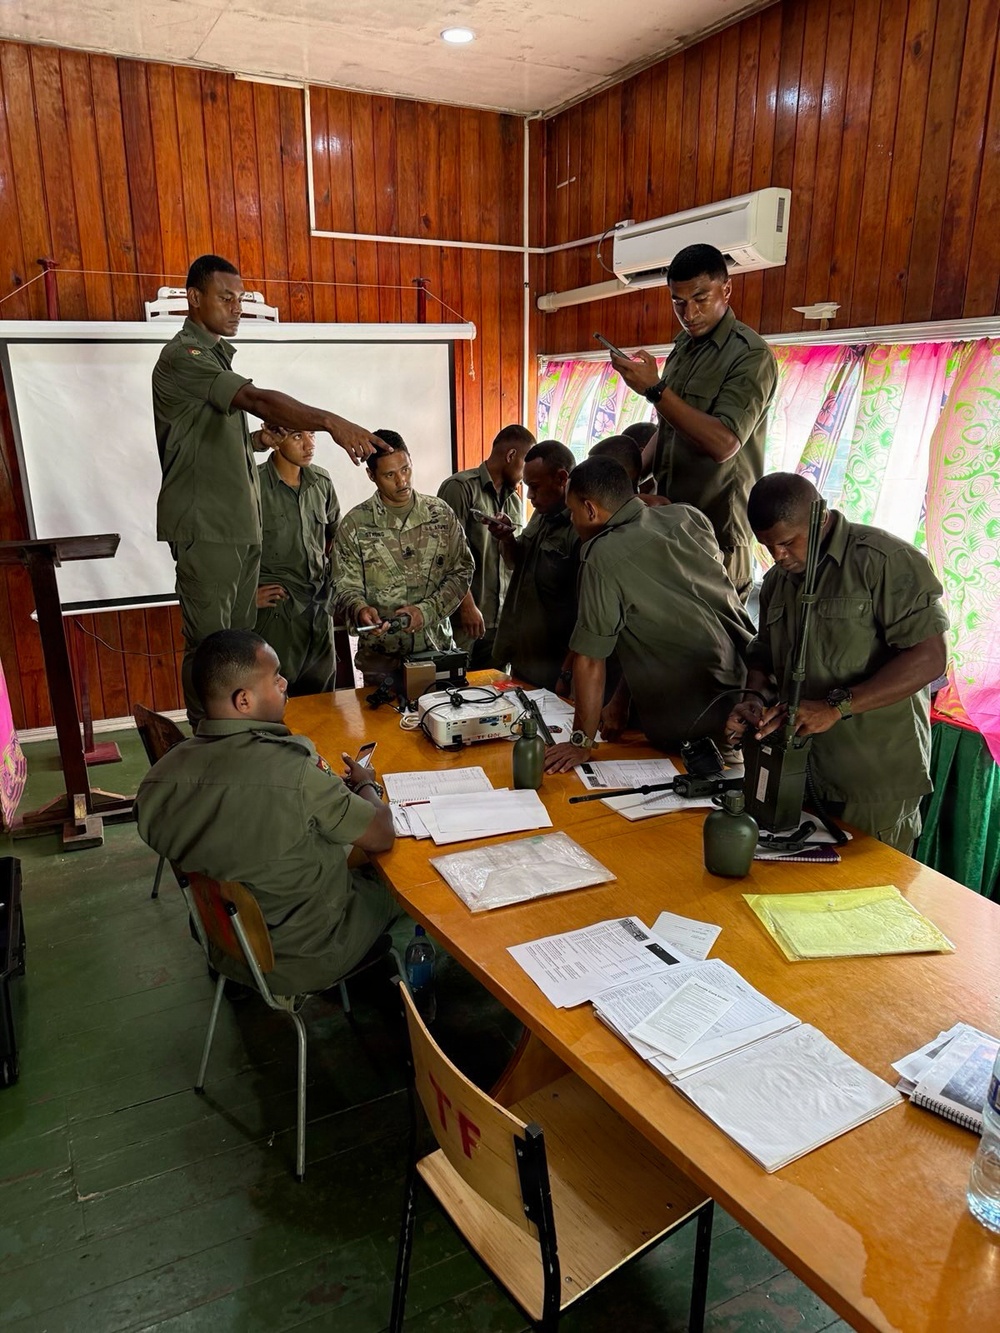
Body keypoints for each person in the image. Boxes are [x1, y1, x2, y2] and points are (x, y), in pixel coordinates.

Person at [152, 254, 387, 724]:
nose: (237, 308)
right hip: (208, 528)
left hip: (237, 530)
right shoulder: (184, 355)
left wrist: (259, 441)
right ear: (194, 298)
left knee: (238, 650)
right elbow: (255, 399)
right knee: (210, 651)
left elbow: (208, 444)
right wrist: (331, 422)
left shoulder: (214, 356)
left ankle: (242, 741)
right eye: (226, 298)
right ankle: (209, 748)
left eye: (240, 298)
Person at [134, 630, 397, 1000]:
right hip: (306, 954)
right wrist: (367, 785)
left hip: (226, 942)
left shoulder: (161, 778)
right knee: (400, 886)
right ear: (244, 700)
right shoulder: (293, 772)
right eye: (275, 678)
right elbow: (382, 834)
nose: (284, 683)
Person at [724, 473, 948, 853]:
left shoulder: (882, 561)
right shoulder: (779, 581)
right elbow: (763, 655)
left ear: (820, 517)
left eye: (786, 543)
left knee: (870, 884)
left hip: (870, 779)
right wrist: (754, 700)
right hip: (798, 774)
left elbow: (930, 658)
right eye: (767, 546)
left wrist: (836, 706)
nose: (777, 556)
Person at [544, 457, 754, 772]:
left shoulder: (602, 555)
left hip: (697, 710)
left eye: (572, 512)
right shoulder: (688, 516)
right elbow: (656, 624)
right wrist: (620, 699)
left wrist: (580, 743)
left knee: (711, 788)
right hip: (747, 683)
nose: (572, 521)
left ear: (590, 509)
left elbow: (589, 660)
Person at [607, 243, 777, 600]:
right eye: (678, 302)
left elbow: (724, 444)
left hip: (716, 536)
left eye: (700, 299)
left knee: (711, 633)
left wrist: (655, 388)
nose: (689, 313)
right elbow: (669, 426)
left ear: (726, 290)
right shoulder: (683, 348)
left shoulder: (750, 355)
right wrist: (625, 479)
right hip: (669, 523)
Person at [334, 430, 474, 685]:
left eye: (406, 469)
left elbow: (461, 571)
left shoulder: (440, 515)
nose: (402, 481)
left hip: (435, 651)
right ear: (371, 475)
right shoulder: (356, 524)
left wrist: (426, 611)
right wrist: (360, 609)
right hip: (381, 661)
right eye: (390, 475)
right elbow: (344, 586)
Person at [437, 424, 535, 669]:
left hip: (499, 623)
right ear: (511, 455)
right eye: (526, 463)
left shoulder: (514, 501)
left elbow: (512, 562)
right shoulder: (460, 488)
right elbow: (446, 555)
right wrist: (467, 606)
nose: (527, 475)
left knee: (494, 688)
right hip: (464, 620)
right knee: (455, 686)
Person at [490, 441, 581, 693]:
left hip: (553, 666)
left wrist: (567, 672)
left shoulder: (580, 528)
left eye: (535, 487)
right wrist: (507, 538)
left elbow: (586, 612)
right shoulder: (541, 513)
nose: (529, 496)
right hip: (522, 655)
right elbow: (517, 563)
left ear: (561, 478)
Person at [255, 427, 339, 696]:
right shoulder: (253, 484)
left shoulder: (321, 482)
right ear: (274, 438)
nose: (309, 444)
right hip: (277, 614)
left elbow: (336, 538)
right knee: (275, 699)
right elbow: (233, 550)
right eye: (297, 436)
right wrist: (246, 596)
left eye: (312, 434)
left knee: (323, 701)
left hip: (319, 610)